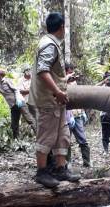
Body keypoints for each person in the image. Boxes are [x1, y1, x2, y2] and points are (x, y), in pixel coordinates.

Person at [28, 12, 80, 188]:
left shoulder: (52, 44)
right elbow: (42, 71)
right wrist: (57, 91)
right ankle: (41, 172)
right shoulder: (49, 45)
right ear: (62, 27)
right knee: (47, 134)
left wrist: (63, 85)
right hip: (49, 100)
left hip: (56, 101)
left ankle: (61, 168)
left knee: (62, 135)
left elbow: (52, 72)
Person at [0, 70, 36, 139]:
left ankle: (39, 136)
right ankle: (16, 140)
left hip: (19, 103)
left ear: (0, 75)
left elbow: (16, 90)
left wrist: (18, 99)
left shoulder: (7, 81)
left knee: (29, 119)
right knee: (14, 125)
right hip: (13, 106)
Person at [65, 63, 91, 168]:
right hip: (67, 116)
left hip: (77, 115)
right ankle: (67, 163)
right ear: (66, 71)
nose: (72, 74)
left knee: (83, 140)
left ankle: (87, 162)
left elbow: (78, 98)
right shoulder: (61, 81)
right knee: (66, 141)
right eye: (70, 72)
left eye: (72, 72)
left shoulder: (74, 82)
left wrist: (83, 111)